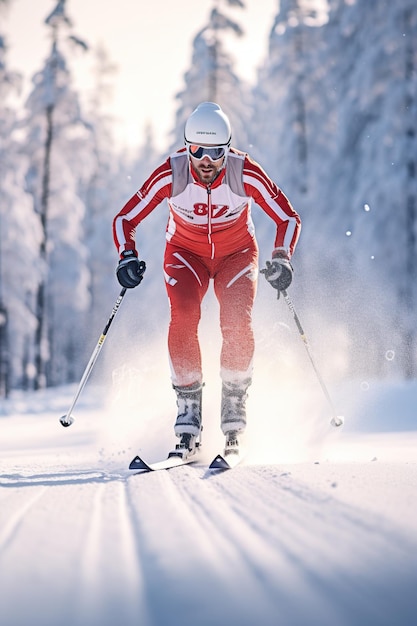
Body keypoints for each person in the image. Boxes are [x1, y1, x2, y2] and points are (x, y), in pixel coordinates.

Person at [113, 102, 301, 456]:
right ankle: (188, 410)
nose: (206, 160)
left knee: (235, 320)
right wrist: (127, 255)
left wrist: (282, 258)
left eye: (216, 151)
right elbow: (125, 218)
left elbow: (288, 218)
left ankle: (233, 401)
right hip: (186, 255)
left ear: (227, 149)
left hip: (237, 255)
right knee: (183, 318)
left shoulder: (245, 173)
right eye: (197, 150)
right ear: (187, 146)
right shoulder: (171, 174)